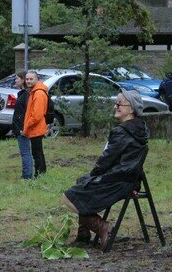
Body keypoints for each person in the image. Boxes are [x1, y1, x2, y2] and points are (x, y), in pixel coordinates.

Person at [62, 90, 149, 249]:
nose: (115, 107)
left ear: (131, 109)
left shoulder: (122, 132)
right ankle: (83, 235)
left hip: (118, 181)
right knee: (81, 181)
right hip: (131, 180)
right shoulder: (140, 129)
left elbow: (105, 161)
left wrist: (93, 175)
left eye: (119, 104)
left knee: (68, 197)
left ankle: (104, 227)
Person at [24, 70, 49, 177]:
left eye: (31, 79)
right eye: (27, 79)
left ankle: (39, 174)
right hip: (36, 128)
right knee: (38, 152)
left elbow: (36, 116)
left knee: (37, 153)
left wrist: (27, 127)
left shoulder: (38, 93)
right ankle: (41, 173)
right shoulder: (35, 91)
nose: (28, 81)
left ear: (37, 79)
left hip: (36, 128)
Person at [11, 71, 33, 180]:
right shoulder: (22, 93)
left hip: (23, 128)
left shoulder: (27, 94)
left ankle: (27, 176)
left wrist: (22, 128)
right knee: (25, 151)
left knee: (25, 152)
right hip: (19, 126)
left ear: (22, 80)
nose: (15, 81)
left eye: (17, 79)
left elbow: (26, 113)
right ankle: (27, 174)